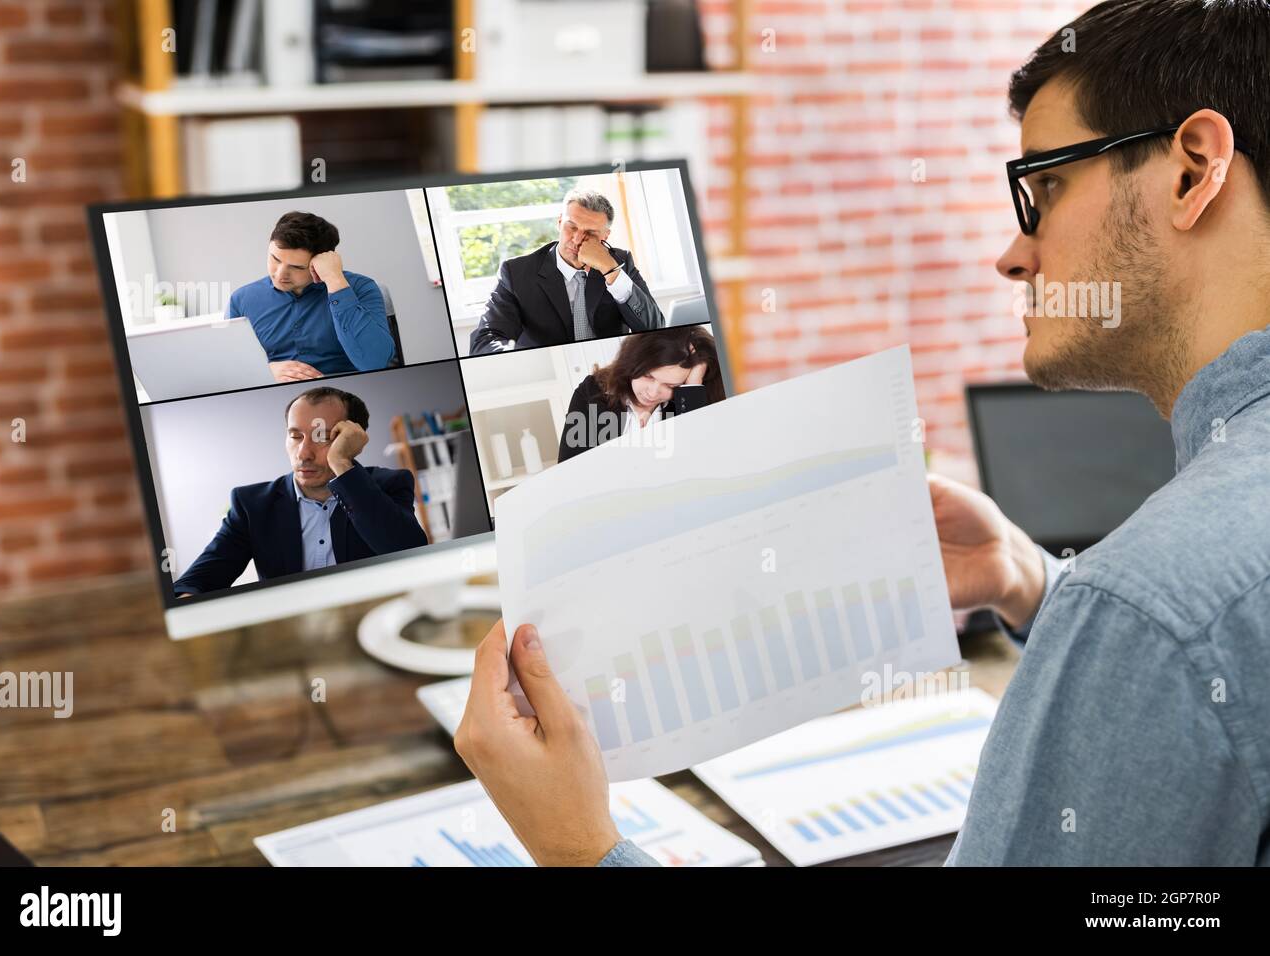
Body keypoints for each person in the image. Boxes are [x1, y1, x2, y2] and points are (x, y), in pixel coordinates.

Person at [455, 0, 1270, 866]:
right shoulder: (1172, 597)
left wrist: (580, 847)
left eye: (1046, 187)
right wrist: (1039, 587)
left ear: (1192, 172)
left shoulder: (1153, 605)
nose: (1013, 254)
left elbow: (1180, 625)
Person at [174, 386, 428, 595]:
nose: (303, 454)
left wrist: (341, 463)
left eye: (322, 437)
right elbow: (197, 581)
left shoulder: (388, 484)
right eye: (295, 436)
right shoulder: (251, 505)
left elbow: (411, 555)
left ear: (350, 440)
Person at [468, 188, 665, 355]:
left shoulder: (620, 262)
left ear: (605, 236)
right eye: (571, 227)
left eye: (590, 233)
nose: (577, 239)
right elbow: (484, 341)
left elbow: (656, 329)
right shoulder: (516, 272)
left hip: (611, 367)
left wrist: (611, 271)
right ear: (560, 222)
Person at [226, 211, 397, 382]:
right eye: (275, 259)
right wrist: (267, 370)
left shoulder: (361, 288)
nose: (280, 274)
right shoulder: (241, 300)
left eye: (297, 267)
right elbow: (230, 367)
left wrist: (334, 280)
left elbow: (375, 363)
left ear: (319, 263)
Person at [558, 326, 724, 463]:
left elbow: (698, 461)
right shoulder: (592, 391)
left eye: (670, 385)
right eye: (648, 376)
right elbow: (568, 468)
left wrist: (693, 386)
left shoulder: (688, 399)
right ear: (633, 362)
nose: (652, 393)